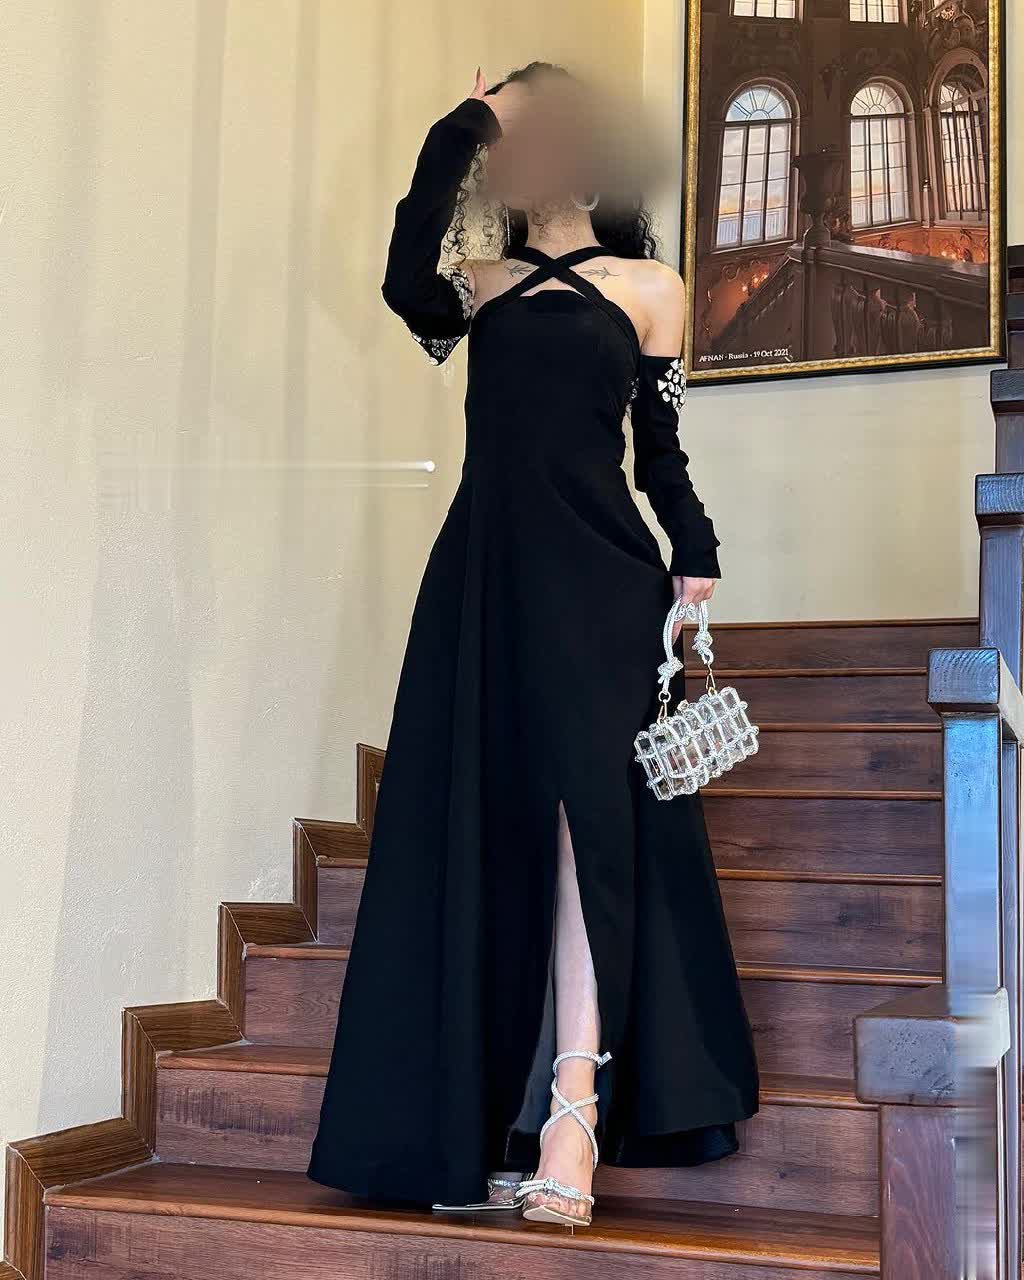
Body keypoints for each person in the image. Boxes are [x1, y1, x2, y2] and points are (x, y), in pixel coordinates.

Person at [307, 61, 758, 1229]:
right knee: (489, 819)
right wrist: (469, 120)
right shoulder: (479, 285)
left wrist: (694, 556)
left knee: (583, 823)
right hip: (484, 576)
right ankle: (492, 1119)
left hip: (603, 577)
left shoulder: (649, 288)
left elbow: (660, 452)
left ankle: (572, 1107)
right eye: (512, 138)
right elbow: (401, 272)